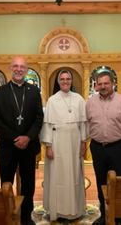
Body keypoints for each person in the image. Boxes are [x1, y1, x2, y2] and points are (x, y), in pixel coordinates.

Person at [0, 57, 44, 225]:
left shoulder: (34, 92)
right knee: (6, 184)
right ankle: (7, 214)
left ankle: (27, 216)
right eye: (16, 66)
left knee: (28, 184)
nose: (19, 69)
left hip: (28, 146)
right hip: (8, 147)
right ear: (10, 68)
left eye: (22, 67)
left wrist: (27, 137)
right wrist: (15, 138)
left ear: (27, 70)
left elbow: (38, 118)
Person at [86, 71, 121, 225]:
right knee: (101, 181)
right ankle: (103, 215)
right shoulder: (91, 103)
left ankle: (119, 218)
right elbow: (87, 123)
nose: (103, 86)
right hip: (97, 147)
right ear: (96, 85)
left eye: (106, 83)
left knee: (119, 182)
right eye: (99, 84)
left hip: (117, 148)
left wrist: (118, 137)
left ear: (113, 84)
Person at [40, 69, 88, 222]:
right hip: (57, 143)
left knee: (74, 174)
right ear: (58, 81)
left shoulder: (79, 99)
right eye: (62, 79)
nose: (65, 81)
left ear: (71, 81)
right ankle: (58, 211)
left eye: (68, 79)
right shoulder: (52, 100)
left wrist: (83, 142)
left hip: (74, 142)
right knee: (57, 175)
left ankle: (75, 210)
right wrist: (48, 146)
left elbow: (83, 124)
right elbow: (47, 125)